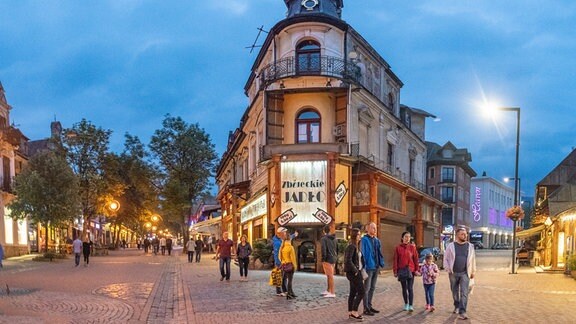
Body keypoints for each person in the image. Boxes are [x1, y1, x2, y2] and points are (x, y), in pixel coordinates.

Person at [444, 226, 476, 320]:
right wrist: (448, 269)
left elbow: (473, 259)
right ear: (457, 235)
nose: (465, 235)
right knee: (454, 291)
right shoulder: (451, 246)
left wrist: (473, 271)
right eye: (462, 234)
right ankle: (456, 305)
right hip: (453, 273)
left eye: (466, 234)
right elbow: (446, 258)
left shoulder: (470, 246)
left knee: (464, 293)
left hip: (465, 273)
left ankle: (463, 312)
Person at [360, 222, 385, 316]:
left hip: (376, 266)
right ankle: (365, 308)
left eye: (375, 228)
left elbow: (379, 253)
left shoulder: (377, 240)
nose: (375, 230)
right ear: (368, 228)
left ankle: (369, 306)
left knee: (372, 288)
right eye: (373, 228)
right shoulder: (364, 240)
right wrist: (364, 266)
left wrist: (381, 263)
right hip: (368, 267)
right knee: (366, 288)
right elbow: (363, 254)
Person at [393, 231, 420, 312]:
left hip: (411, 270)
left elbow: (416, 259)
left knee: (410, 288)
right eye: (405, 236)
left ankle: (411, 305)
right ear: (402, 238)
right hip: (401, 271)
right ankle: (406, 304)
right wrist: (395, 271)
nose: (407, 238)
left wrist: (416, 270)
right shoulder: (398, 248)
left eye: (409, 237)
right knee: (404, 288)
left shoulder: (412, 247)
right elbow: (395, 260)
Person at [344, 228, 365, 321]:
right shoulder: (351, 246)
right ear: (354, 236)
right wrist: (356, 270)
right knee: (362, 292)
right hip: (354, 273)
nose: (360, 236)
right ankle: (354, 312)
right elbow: (348, 260)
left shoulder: (356, 246)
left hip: (356, 272)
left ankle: (350, 312)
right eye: (358, 234)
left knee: (353, 292)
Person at [320, 224, 338, 298]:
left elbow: (323, 250)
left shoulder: (323, 239)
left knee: (330, 276)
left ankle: (332, 292)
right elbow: (337, 249)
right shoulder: (335, 239)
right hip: (334, 258)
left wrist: (323, 259)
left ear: (324, 231)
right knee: (329, 275)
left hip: (327, 258)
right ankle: (328, 290)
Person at [279, 232, 297, 300]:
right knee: (290, 280)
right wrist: (295, 266)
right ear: (290, 239)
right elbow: (293, 258)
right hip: (290, 265)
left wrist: (283, 262)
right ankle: (289, 294)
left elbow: (280, 257)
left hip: (284, 265)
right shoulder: (290, 247)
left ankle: (291, 293)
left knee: (286, 279)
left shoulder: (282, 247)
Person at [272, 227, 288, 296]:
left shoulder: (281, 239)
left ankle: (285, 290)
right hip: (280, 262)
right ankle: (279, 291)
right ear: (280, 233)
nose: (285, 233)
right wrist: (279, 263)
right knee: (279, 276)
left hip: (284, 261)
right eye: (284, 232)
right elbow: (276, 254)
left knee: (284, 277)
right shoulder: (277, 242)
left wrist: (294, 235)